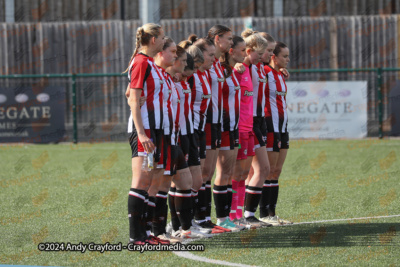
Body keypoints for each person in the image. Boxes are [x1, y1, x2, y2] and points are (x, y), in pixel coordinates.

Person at [124, 23, 166, 245]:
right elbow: (133, 96)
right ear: (153, 40)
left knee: (148, 180)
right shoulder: (141, 61)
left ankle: (146, 234)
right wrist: (141, 133)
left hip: (154, 128)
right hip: (144, 129)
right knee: (140, 180)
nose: (163, 41)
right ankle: (135, 237)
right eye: (162, 37)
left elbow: (130, 92)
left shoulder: (148, 62)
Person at [237, 29, 271, 228]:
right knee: (259, 169)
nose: (265, 56)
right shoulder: (243, 68)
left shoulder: (258, 68)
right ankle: (244, 215)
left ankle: (245, 215)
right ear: (249, 51)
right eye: (262, 52)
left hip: (257, 121)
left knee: (252, 171)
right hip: (246, 123)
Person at [213, 35, 247, 232]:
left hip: (232, 126)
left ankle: (226, 218)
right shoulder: (222, 70)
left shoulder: (234, 71)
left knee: (228, 174)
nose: (244, 54)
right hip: (222, 126)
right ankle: (220, 219)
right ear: (231, 51)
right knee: (221, 173)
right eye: (241, 50)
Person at [203, 25, 233, 227]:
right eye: (228, 39)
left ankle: (210, 220)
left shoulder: (219, 64)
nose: (231, 43)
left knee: (209, 172)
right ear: (217, 38)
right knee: (202, 174)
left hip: (217, 122)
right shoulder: (205, 62)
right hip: (203, 122)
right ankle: (195, 221)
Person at [261, 41, 293, 226]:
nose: (288, 59)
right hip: (270, 126)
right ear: (273, 57)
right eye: (284, 56)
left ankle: (272, 214)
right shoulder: (265, 73)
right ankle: (264, 213)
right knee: (269, 171)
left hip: (282, 127)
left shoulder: (279, 75)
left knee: (276, 171)